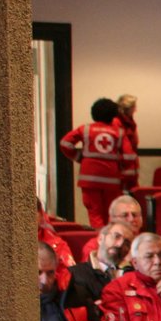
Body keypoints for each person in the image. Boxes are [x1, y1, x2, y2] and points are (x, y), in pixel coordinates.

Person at [60, 97, 138, 226]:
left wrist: (79, 157)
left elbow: (65, 143)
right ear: (114, 115)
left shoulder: (84, 129)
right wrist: (124, 174)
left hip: (89, 180)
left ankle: (98, 240)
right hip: (112, 180)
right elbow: (129, 156)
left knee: (94, 214)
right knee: (112, 213)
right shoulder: (119, 132)